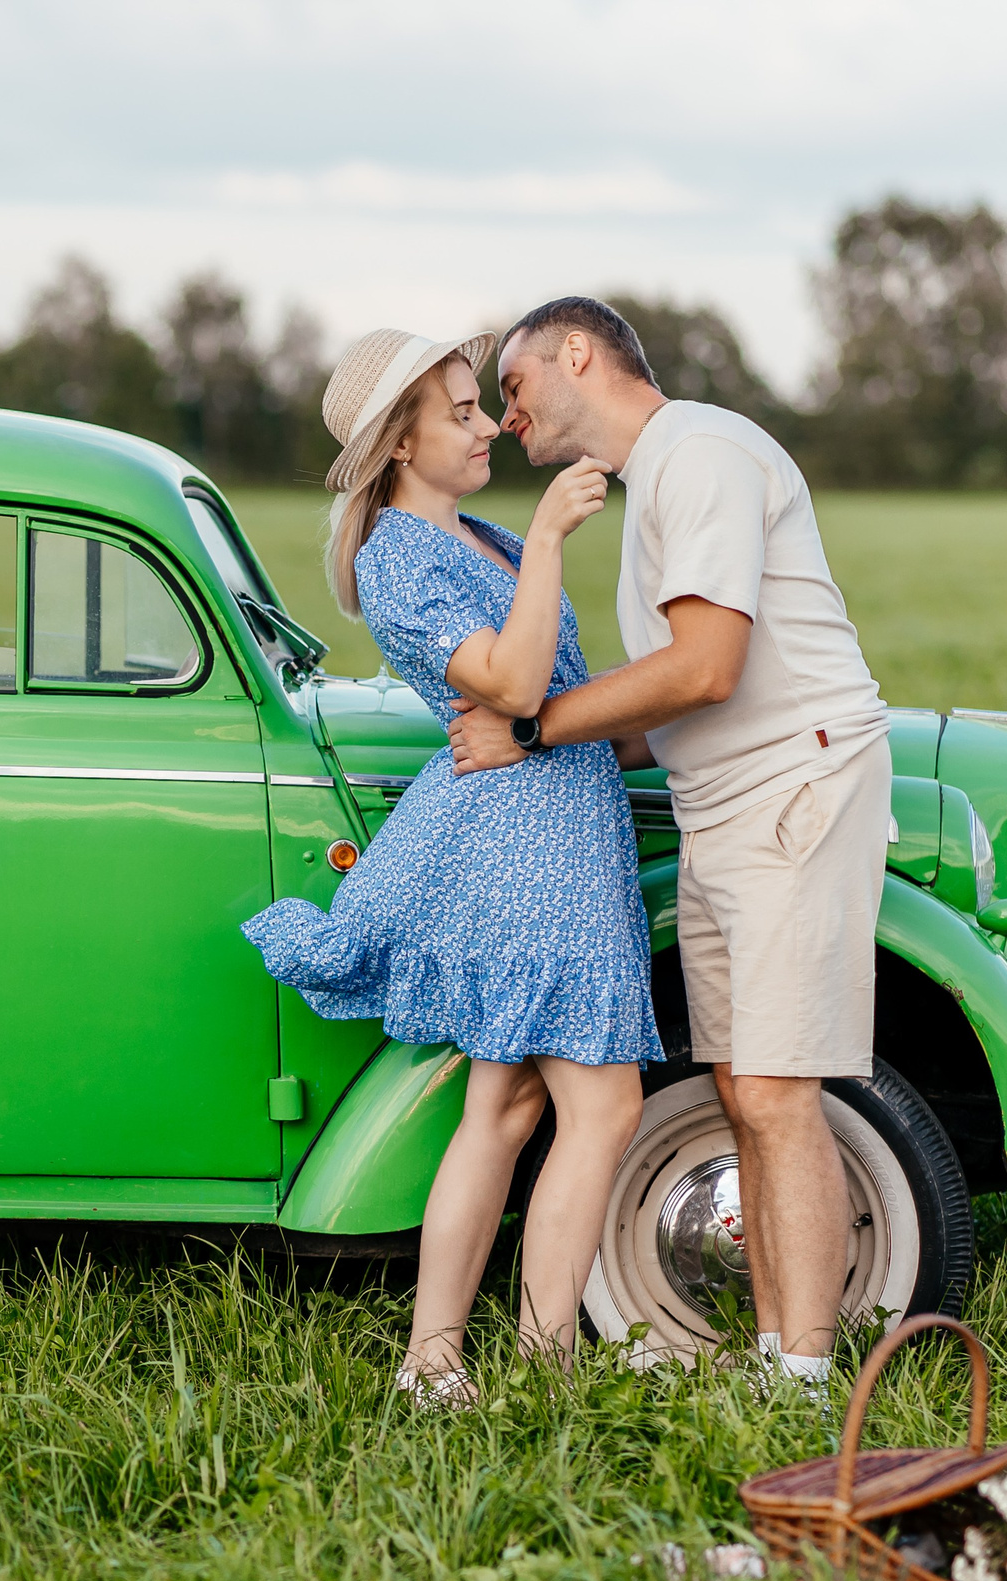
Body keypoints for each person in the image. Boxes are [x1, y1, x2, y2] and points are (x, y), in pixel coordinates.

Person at [447, 296, 893, 1391]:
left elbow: (705, 669)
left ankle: (804, 1370)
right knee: (743, 1085)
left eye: (513, 388)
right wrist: (529, 758)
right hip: (723, 804)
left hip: (791, 784)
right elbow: (658, 717)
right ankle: (776, 1350)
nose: (507, 421)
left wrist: (535, 724)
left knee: (780, 1090)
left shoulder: (695, 453)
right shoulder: (664, 479)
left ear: (578, 354)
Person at [241, 328, 660, 1409]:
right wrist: (558, 538)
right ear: (399, 443)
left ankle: (435, 1358)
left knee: (506, 1102)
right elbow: (515, 686)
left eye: (480, 404)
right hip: (524, 842)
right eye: (461, 410)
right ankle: (543, 1355)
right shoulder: (398, 557)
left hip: (558, 819)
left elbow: (554, 689)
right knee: (601, 1100)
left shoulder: (474, 535)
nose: (486, 425)